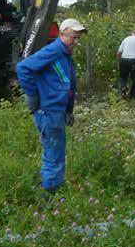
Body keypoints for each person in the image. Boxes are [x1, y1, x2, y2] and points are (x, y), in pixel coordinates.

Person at [16, 18, 86, 197]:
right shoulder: (53, 51)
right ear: (62, 34)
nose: (76, 42)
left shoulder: (65, 54)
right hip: (48, 111)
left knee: (55, 151)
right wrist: (32, 96)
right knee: (54, 154)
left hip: (57, 111)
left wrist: (69, 110)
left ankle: (51, 185)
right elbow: (23, 68)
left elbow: (69, 85)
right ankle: (50, 194)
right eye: (73, 37)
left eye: (78, 38)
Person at [116, 29, 135, 99]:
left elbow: (118, 53)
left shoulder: (125, 39)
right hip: (134, 61)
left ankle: (123, 89)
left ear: (132, 33)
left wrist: (119, 62)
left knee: (123, 77)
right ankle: (133, 97)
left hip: (124, 60)